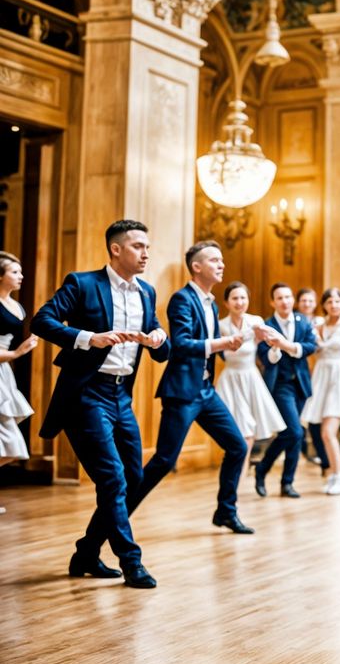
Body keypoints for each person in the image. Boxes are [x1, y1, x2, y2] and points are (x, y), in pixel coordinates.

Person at [35, 220, 169, 588]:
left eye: (147, 247)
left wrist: (158, 337)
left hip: (121, 395)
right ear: (116, 249)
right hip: (87, 394)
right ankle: (131, 562)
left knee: (133, 477)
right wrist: (87, 338)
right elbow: (42, 321)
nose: (146, 253)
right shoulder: (83, 284)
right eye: (138, 246)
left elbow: (159, 340)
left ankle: (86, 553)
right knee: (112, 478)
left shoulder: (147, 292)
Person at [135, 241, 254, 535]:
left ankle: (226, 511)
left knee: (238, 446)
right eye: (214, 260)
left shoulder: (211, 302)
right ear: (196, 267)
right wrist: (224, 343)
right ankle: (118, 512)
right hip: (183, 392)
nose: (221, 265)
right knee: (164, 460)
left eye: (222, 260)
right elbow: (182, 344)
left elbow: (211, 349)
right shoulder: (182, 299)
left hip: (206, 391)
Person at [215, 282, 287, 480]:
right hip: (230, 381)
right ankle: (233, 479)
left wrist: (275, 347)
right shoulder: (221, 325)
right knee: (236, 435)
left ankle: (237, 481)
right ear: (226, 303)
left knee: (247, 435)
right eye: (234, 298)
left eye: (243, 298)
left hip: (251, 379)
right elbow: (220, 353)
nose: (239, 302)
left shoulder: (256, 321)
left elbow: (268, 353)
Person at [254, 282, 319, 499]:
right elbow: (265, 359)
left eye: (288, 297)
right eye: (280, 298)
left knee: (291, 434)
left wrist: (286, 345)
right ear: (272, 302)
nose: (285, 301)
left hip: (300, 383)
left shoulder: (303, 321)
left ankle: (285, 482)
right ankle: (266, 469)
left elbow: (311, 346)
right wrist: (275, 347)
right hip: (280, 385)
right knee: (295, 432)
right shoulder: (266, 325)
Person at [301, 288, 340, 494]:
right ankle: (335, 473)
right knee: (321, 431)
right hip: (321, 376)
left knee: (328, 431)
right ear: (324, 305)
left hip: (339, 377)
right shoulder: (318, 325)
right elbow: (312, 351)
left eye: (337, 301)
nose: (334, 305)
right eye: (329, 302)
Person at [0, 252, 38, 469]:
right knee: (11, 444)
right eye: (14, 272)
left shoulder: (15, 305)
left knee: (10, 447)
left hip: (4, 373)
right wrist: (16, 353)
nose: (21, 276)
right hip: (3, 364)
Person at [296, 285, 333, 473]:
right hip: (302, 374)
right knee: (303, 419)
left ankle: (326, 460)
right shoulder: (294, 321)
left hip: (320, 374)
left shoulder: (321, 322)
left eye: (310, 300)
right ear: (298, 303)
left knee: (318, 420)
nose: (307, 304)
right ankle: (302, 453)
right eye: (303, 300)